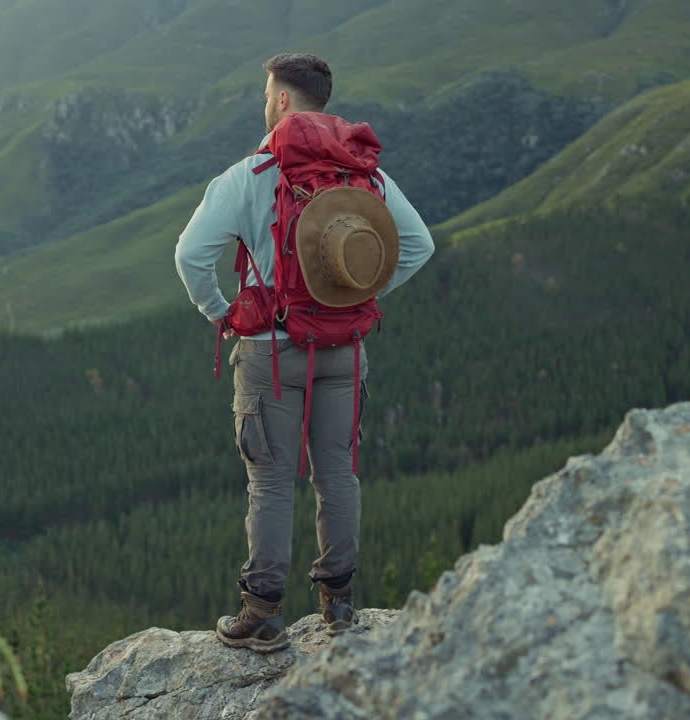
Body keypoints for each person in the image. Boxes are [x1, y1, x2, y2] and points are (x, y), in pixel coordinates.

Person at [175, 53, 434, 653]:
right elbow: (418, 245)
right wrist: (360, 292)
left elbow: (190, 254)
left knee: (270, 482)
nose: (265, 103)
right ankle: (338, 606)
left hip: (271, 351)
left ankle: (263, 614)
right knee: (337, 474)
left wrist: (220, 312)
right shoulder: (365, 174)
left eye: (268, 94)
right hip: (345, 347)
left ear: (283, 100)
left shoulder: (251, 174)